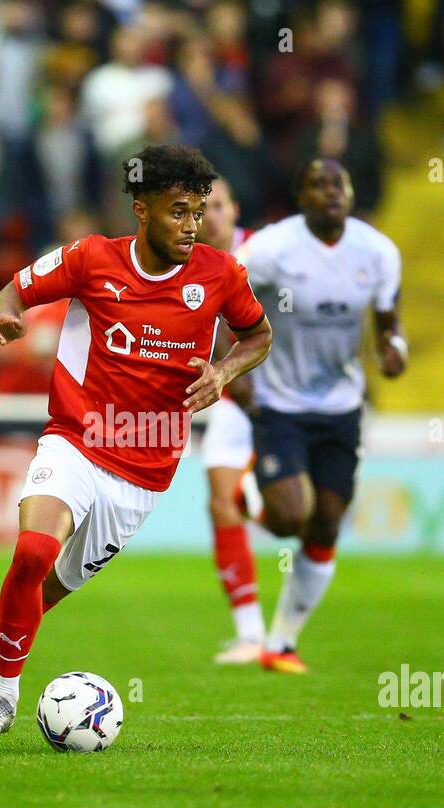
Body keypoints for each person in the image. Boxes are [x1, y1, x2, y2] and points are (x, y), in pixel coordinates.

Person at [0, 145, 272, 744]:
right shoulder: (92, 258)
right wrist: (7, 316)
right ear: (142, 210)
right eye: (178, 212)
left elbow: (258, 335)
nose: (191, 225)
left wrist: (223, 372)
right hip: (76, 440)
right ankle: (2, 698)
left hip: (144, 473)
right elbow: (14, 290)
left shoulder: (221, 275)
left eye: (197, 212)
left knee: (40, 595)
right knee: (33, 554)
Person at [234, 157, 407, 674]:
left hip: (340, 406)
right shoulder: (270, 248)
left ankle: (281, 643)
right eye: (318, 185)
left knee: (326, 522)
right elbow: (223, 301)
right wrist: (234, 375)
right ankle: (250, 488)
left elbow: (389, 321)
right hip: (279, 400)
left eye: (339, 183)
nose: (331, 192)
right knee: (290, 518)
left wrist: (395, 348)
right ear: (301, 198)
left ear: (351, 193)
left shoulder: (377, 252)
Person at [195, 177, 266, 664]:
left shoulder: (265, 256)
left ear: (235, 209)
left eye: (220, 205)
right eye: (204, 208)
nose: (213, 215)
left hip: (285, 399)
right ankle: (252, 633)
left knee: (295, 515)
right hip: (234, 401)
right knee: (221, 504)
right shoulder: (185, 266)